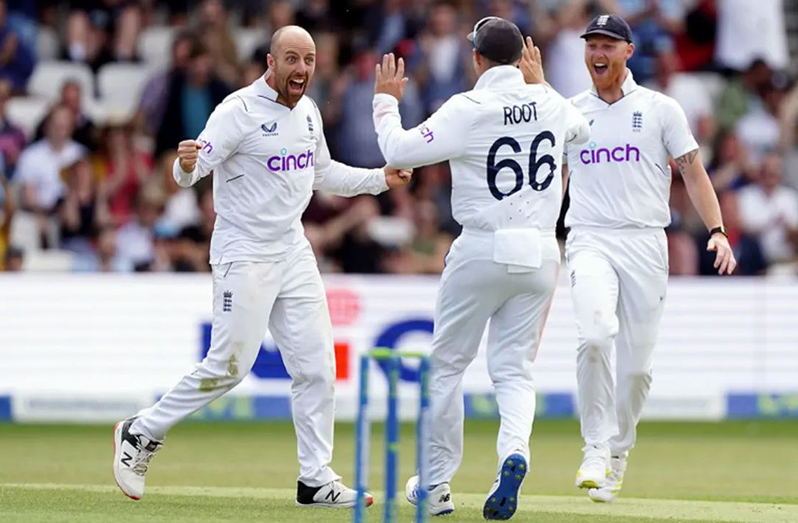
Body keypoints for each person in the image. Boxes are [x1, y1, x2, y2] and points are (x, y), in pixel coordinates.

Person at [112, 26, 411, 509]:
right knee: (229, 366)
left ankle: (315, 479)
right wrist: (183, 166)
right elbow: (191, 169)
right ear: (270, 63)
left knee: (316, 366)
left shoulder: (309, 112)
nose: (302, 69)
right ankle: (139, 432)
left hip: (292, 249)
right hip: (243, 251)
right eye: (291, 59)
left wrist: (380, 178)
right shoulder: (238, 111)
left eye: (309, 60)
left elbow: (323, 173)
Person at [373, 17, 589, 519]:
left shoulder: (468, 106)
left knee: (446, 367)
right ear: (521, 59)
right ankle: (514, 453)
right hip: (539, 251)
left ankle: (435, 485)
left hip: (483, 247)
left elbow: (399, 150)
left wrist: (385, 101)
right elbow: (579, 133)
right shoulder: (550, 101)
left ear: (476, 58)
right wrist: (541, 88)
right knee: (514, 370)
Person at [561, 14, 737, 503]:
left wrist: (718, 231)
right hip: (590, 237)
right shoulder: (570, 112)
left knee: (637, 370)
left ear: (627, 52)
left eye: (607, 46)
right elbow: (553, 181)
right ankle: (594, 448)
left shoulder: (660, 109)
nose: (597, 53)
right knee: (595, 334)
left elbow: (693, 173)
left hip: (644, 242)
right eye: (591, 44)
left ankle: (618, 453)